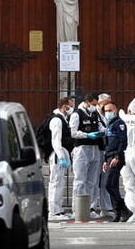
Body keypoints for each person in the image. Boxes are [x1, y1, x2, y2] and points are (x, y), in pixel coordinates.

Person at [69, 92, 105, 220]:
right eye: (94, 104)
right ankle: (77, 208)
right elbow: (73, 132)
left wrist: (101, 132)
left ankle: (90, 207)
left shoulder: (95, 114)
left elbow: (101, 127)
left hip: (94, 148)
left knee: (92, 181)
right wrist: (86, 135)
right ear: (88, 102)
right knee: (80, 180)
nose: (95, 107)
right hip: (82, 149)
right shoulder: (76, 114)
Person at [101, 101, 132, 222]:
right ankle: (118, 212)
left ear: (115, 110)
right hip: (109, 157)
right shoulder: (109, 124)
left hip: (116, 157)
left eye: (110, 110)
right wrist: (105, 160)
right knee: (112, 186)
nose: (108, 112)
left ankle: (124, 210)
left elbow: (122, 141)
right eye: (106, 111)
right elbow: (107, 143)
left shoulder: (119, 124)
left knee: (109, 184)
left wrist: (118, 157)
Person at [48, 97, 74, 221]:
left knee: (60, 182)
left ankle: (58, 209)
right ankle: (53, 212)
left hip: (61, 153)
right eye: (70, 105)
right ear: (64, 106)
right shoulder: (57, 120)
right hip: (58, 154)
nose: (72, 108)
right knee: (56, 182)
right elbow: (56, 140)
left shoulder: (63, 119)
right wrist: (61, 157)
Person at [94, 93, 115, 220]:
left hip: (106, 150)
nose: (108, 105)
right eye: (106, 102)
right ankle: (93, 206)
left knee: (105, 180)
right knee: (94, 180)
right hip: (97, 149)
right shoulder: (95, 115)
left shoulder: (106, 115)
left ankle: (105, 207)